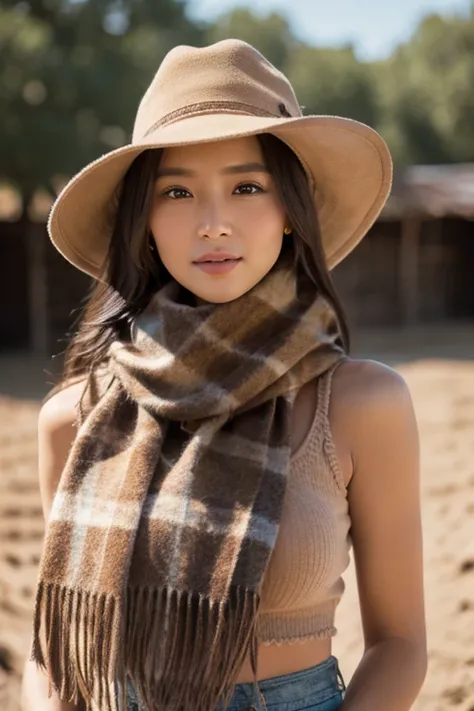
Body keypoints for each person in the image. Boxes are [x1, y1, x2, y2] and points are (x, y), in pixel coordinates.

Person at [22, 39, 427, 711]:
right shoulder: (75, 418)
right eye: (176, 191)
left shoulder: (360, 404)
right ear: (144, 222)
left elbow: (403, 644)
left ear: (293, 211)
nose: (213, 223)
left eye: (247, 186)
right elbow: (53, 655)